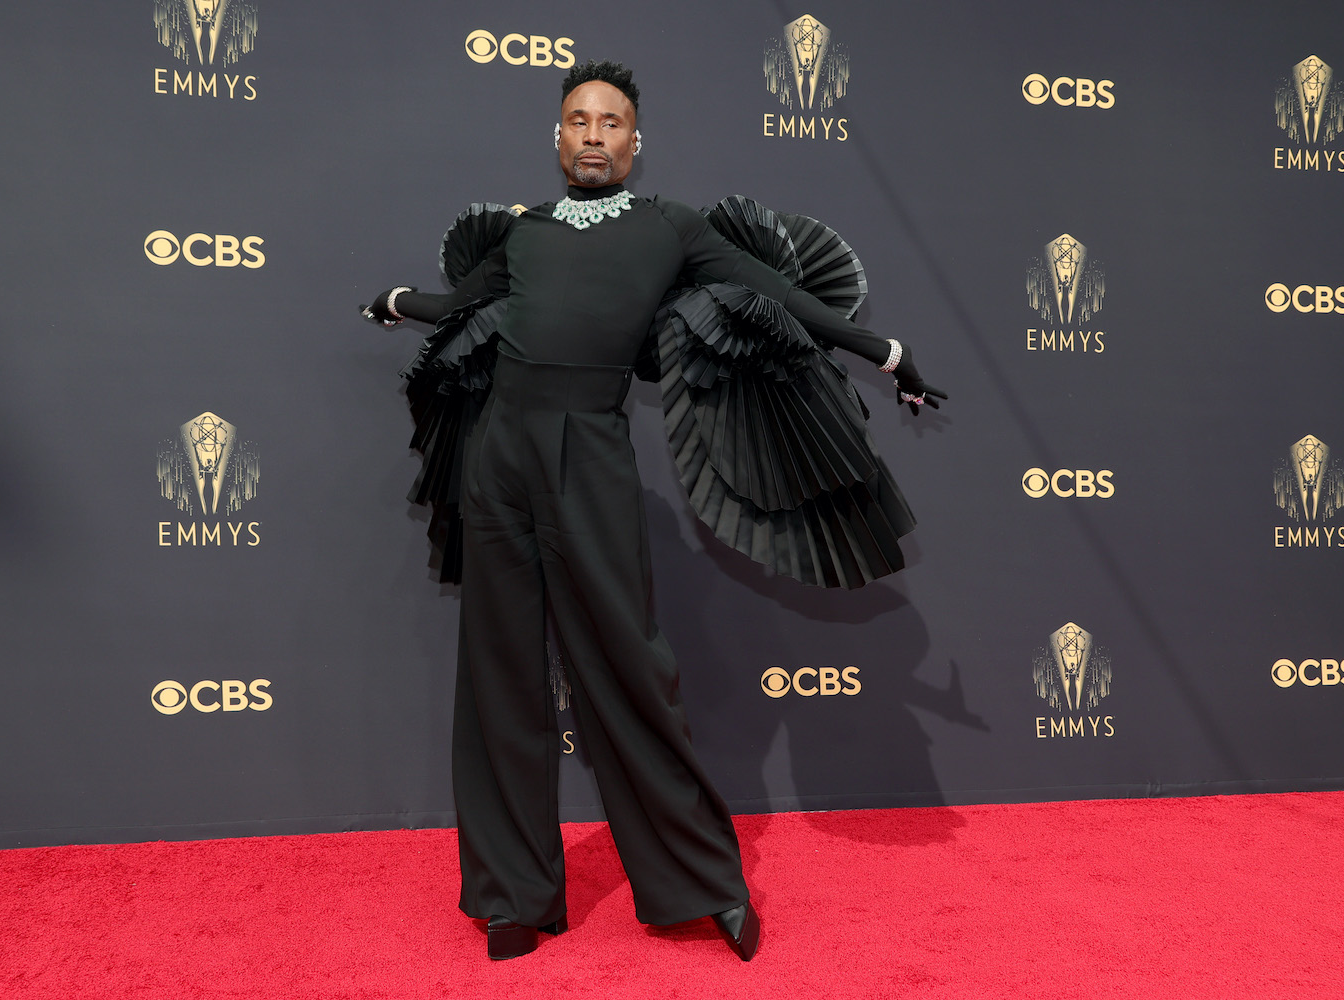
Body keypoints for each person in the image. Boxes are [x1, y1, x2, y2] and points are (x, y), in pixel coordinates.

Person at [364, 60, 945, 962]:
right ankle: (515, 896)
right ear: (557, 138)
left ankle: (699, 884)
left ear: (636, 142)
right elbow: (458, 305)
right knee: (498, 669)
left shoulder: (672, 226)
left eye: (611, 122)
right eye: (579, 120)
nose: (593, 135)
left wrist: (887, 351)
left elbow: (779, 296)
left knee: (630, 665)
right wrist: (398, 303)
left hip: (589, 457)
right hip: (498, 458)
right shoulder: (523, 231)